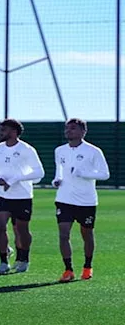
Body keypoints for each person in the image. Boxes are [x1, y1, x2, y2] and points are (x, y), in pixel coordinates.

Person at [52, 118, 110, 282]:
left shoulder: (93, 151)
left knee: (87, 234)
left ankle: (87, 266)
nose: (68, 131)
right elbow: (59, 171)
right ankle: (68, 269)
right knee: (63, 234)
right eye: (67, 128)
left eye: (73, 128)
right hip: (64, 199)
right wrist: (56, 180)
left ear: (83, 131)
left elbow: (105, 174)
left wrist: (83, 174)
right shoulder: (60, 150)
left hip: (86, 201)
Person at [0, 119, 44, 275]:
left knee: (21, 230)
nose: (0, 133)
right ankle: (3, 262)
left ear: (13, 131)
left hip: (22, 196)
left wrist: (13, 179)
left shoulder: (27, 149)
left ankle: (24, 258)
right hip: (1, 195)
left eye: (3, 130)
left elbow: (39, 173)